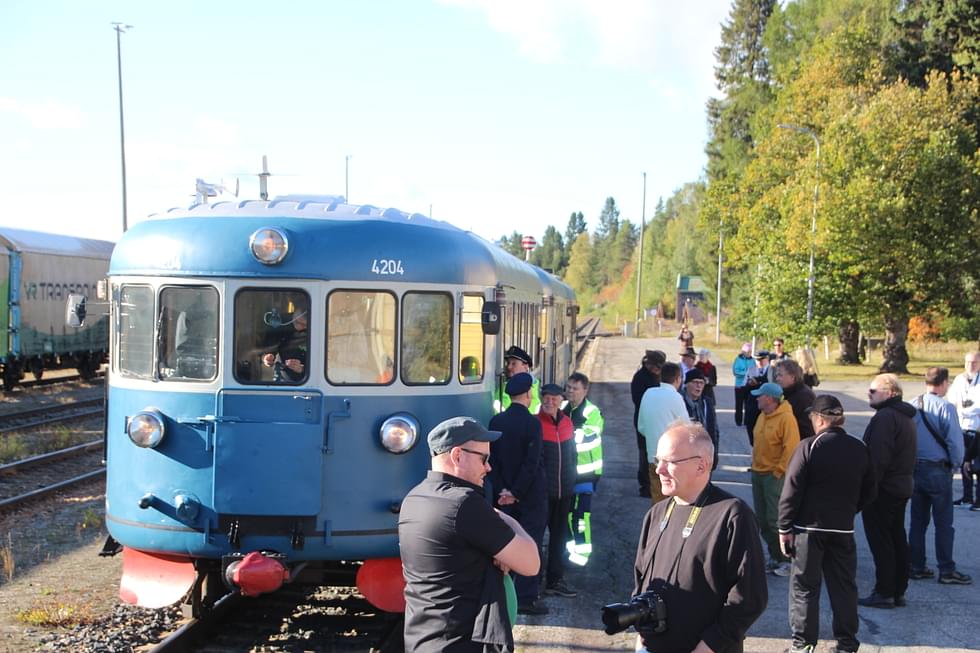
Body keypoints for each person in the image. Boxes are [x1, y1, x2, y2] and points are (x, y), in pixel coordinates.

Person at [399, 417, 540, 652]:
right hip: (461, 643)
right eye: (484, 458)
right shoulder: (464, 504)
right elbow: (530, 563)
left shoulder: (414, 498)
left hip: (424, 641)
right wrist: (502, 517)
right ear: (457, 456)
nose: (488, 467)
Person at [632, 422, 768, 653]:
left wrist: (710, 645)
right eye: (658, 460)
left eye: (670, 462)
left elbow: (750, 597)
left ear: (701, 465)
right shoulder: (657, 513)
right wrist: (640, 629)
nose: (659, 470)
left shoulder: (732, 515)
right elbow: (641, 578)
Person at [778, 395, 876, 653]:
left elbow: (792, 490)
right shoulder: (859, 447)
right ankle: (846, 644)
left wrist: (784, 527)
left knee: (805, 588)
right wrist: (849, 511)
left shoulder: (809, 446)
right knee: (844, 587)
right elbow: (870, 490)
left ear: (820, 419)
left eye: (812, 417)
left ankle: (803, 644)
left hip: (809, 529)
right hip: (842, 528)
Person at [488, 372, 549, 615]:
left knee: (507, 542)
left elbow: (493, 461)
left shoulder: (496, 422)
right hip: (530, 496)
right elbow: (531, 463)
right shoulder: (532, 423)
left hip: (503, 496)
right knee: (531, 542)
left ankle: (503, 593)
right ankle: (525, 597)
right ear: (528, 394)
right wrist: (517, 491)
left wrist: (504, 492)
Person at [908, 367, 971, 585]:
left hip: (916, 468)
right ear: (944, 382)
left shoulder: (913, 404)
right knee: (944, 523)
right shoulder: (946, 407)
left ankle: (916, 565)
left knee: (918, 521)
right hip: (937, 468)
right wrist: (956, 465)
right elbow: (955, 441)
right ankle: (946, 569)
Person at [859, 374, 917, 609]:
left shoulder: (886, 417)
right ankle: (897, 590)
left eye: (873, 391)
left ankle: (885, 591)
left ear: (890, 392)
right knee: (895, 538)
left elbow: (878, 459)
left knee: (882, 540)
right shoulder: (903, 416)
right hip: (899, 487)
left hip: (884, 489)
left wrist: (867, 488)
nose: (869, 394)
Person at [750, 381, 800, 577]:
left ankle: (787, 559)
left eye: (759, 395)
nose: (756, 398)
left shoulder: (787, 419)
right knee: (762, 519)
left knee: (775, 519)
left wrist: (779, 472)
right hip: (758, 473)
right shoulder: (763, 415)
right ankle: (775, 556)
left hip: (774, 475)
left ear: (770, 399)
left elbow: (791, 448)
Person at [536, 383, 578, 598]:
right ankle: (532, 581)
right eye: (546, 398)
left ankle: (554, 580)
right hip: (543, 494)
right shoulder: (535, 424)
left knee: (559, 538)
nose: (550, 402)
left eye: (554, 398)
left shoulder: (567, 423)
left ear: (561, 401)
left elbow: (573, 457)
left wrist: (572, 483)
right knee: (535, 537)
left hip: (564, 492)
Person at [562, 371, 604, 567]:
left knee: (581, 515)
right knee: (569, 513)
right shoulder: (564, 407)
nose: (570, 391)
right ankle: (571, 550)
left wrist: (564, 434)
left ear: (585, 390)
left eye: (575, 388)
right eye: (568, 387)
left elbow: (588, 436)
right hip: (569, 473)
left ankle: (582, 555)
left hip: (586, 474)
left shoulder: (592, 412)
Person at [637, 363, 690, 504]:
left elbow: (641, 427)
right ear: (678, 379)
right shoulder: (676, 397)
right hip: (673, 459)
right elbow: (687, 429)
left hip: (653, 457)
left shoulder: (648, 393)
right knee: (675, 500)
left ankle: (656, 525)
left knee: (657, 498)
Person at [631, 350, 666, 498]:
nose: (658, 370)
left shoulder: (657, 376)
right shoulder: (640, 378)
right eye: (657, 367)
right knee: (644, 453)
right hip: (644, 420)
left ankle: (655, 482)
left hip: (658, 419)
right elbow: (639, 401)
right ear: (649, 364)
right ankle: (645, 485)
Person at [948, 351, 980, 508]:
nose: (970, 365)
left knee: (978, 465)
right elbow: (952, 400)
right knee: (964, 463)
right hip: (961, 428)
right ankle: (967, 496)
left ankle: (978, 500)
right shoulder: (959, 380)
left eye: (974, 362)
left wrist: (965, 410)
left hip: (976, 429)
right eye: (968, 362)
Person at [681, 368, 719, 471]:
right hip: (685, 453)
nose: (699, 386)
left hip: (703, 452)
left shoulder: (707, 402)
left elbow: (714, 430)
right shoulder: (679, 402)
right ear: (687, 384)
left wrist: (714, 454)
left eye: (701, 383)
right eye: (695, 382)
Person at [773, 359, 816, 441]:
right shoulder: (787, 392)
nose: (777, 379)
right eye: (776, 376)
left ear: (792, 377)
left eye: (780, 375)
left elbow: (807, 429)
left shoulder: (804, 396)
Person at [261, 310, 308, 382]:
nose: (300, 327)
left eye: (304, 325)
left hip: (307, 381)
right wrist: (267, 358)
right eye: (297, 322)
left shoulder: (318, 331)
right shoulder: (281, 323)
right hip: (282, 376)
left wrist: (302, 369)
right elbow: (267, 348)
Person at [494, 346, 540, 414]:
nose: (509, 367)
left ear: (525, 366)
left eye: (514, 364)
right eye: (508, 363)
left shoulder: (534, 389)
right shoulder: (503, 386)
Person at [743, 350, 771, 446]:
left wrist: (759, 383)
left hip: (767, 409)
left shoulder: (772, 370)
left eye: (761, 360)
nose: (759, 362)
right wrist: (749, 384)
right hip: (752, 408)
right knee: (753, 438)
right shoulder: (751, 370)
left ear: (767, 359)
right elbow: (744, 388)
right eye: (757, 360)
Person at [732, 343, 754, 427]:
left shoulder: (752, 360)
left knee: (748, 404)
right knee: (739, 404)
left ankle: (746, 421)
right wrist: (745, 373)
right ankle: (738, 420)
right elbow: (735, 372)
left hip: (748, 385)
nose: (749, 353)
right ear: (743, 351)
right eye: (748, 351)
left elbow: (754, 371)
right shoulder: (738, 360)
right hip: (739, 385)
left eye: (750, 351)